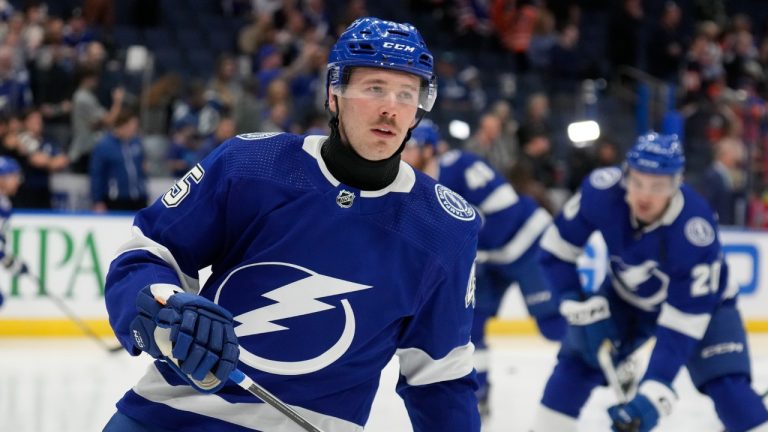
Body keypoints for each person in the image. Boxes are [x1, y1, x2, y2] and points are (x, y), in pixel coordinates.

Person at [103, 17, 482, 432]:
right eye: (374, 88)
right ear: (333, 94)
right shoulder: (250, 165)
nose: (390, 107)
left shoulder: (443, 228)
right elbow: (147, 254)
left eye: (407, 93)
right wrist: (166, 309)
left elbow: (440, 378)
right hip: (166, 416)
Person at [530, 132, 768, 432]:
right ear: (625, 174)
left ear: (677, 183)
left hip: (705, 309)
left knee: (728, 387)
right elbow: (555, 250)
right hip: (626, 297)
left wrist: (656, 388)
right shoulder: (601, 191)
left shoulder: (695, 229)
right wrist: (571, 296)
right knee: (576, 363)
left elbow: (682, 322)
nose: (644, 195)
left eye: (658, 186)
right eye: (638, 181)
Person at [401, 120, 565, 415]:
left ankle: (592, 360)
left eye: (409, 147)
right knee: (471, 326)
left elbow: (505, 210)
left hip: (528, 243)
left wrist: (463, 248)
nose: (403, 154)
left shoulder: (461, 165)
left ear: (428, 149)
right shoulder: (412, 189)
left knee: (550, 324)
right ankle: (482, 391)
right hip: (490, 258)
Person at [89, 108, 147, 212]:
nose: (135, 130)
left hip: (138, 198)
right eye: (132, 126)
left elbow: (142, 167)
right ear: (123, 125)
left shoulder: (136, 143)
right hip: (116, 200)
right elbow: (96, 174)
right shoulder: (104, 146)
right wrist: (97, 200)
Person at [0, 156, 29, 307]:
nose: (17, 181)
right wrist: (11, 263)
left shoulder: (4, 202)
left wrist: (9, 261)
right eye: (14, 176)